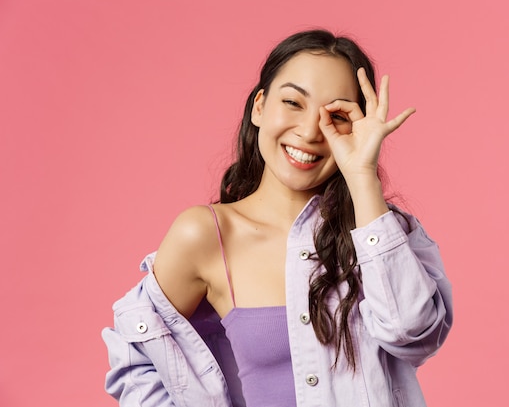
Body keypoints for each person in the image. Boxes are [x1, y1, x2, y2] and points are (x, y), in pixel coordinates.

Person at [102, 29, 453, 407]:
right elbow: (135, 353)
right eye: (293, 102)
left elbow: (413, 335)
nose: (308, 132)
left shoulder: (382, 234)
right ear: (259, 107)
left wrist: (362, 176)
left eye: (336, 115)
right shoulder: (208, 235)